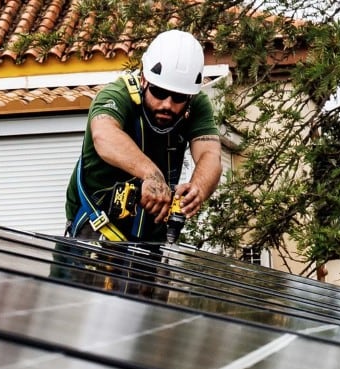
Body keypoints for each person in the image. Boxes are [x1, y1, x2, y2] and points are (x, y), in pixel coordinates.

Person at [59, 30, 223, 293]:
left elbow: (210, 154)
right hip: (96, 234)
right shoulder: (117, 96)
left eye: (179, 97)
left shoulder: (197, 105)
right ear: (145, 78)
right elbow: (104, 135)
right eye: (159, 92)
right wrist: (151, 173)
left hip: (150, 245)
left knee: (148, 326)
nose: (168, 104)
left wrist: (198, 188)